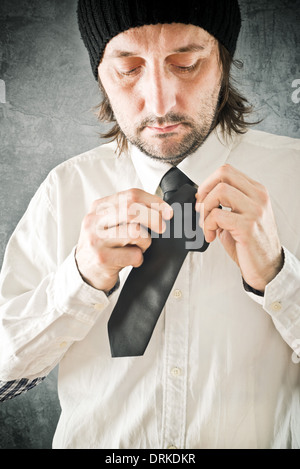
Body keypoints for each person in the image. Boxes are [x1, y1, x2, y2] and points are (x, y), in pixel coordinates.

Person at [0, 0, 299, 449]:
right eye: (128, 69)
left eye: (186, 64)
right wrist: (79, 279)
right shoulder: (65, 189)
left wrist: (279, 279)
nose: (160, 103)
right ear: (100, 73)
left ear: (223, 62)